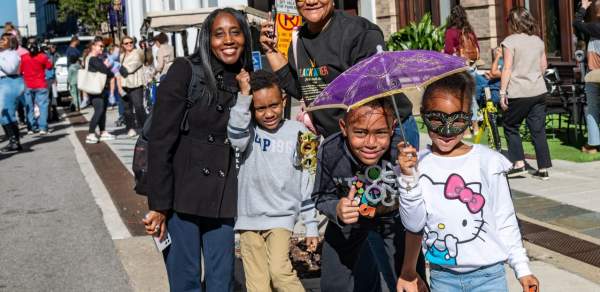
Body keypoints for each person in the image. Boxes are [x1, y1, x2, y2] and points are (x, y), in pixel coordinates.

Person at [396, 71, 540, 292]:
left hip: (489, 276)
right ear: (423, 115)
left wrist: (522, 268)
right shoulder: (417, 165)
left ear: (470, 117)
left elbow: (505, 218)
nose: (446, 131)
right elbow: (413, 224)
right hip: (442, 276)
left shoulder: (488, 162)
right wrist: (408, 178)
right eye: (436, 119)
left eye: (457, 121)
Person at [142, 8, 253, 291]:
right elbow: (160, 141)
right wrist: (158, 205)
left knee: (221, 282)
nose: (228, 40)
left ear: (244, 37)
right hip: (180, 196)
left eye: (235, 32)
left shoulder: (247, 77)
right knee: (186, 282)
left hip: (222, 195)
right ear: (207, 39)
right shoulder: (185, 70)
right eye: (219, 34)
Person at [311, 97, 427, 291]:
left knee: (412, 281)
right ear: (343, 127)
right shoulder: (331, 150)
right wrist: (337, 209)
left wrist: (409, 172)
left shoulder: (402, 150)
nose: (371, 143)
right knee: (334, 285)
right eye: (360, 132)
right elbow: (321, 195)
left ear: (393, 127)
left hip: (392, 219)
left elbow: (419, 201)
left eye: (381, 132)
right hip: (349, 223)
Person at [228, 69, 319, 292]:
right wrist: (243, 97)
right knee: (257, 285)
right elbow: (235, 139)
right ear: (251, 108)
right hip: (248, 219)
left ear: (284, 100)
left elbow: (308, 179)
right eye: (260, 108)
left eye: (274, 105)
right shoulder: (247, 131)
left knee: (279, 272)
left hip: (282, 217)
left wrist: (311, 225)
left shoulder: (302, 133)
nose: (269, 113)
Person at [500, 7, 551, 180]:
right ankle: (543, 169)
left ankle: (519, 164)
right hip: (538, 91)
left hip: (518, 92)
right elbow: (544, 66)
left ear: (513, 23)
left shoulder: (510, 41)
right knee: (538, 130)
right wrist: (534, 78)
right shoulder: (538, 41)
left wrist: (501, 93)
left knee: (510, 125)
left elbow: (506, 68)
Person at [444, 4, 481, 138]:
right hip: (471, 66)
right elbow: (477, 49)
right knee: (471, 96)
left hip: (458, 67)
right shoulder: (469, 31)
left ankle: (465, 130)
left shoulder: (450, 32)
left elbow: (448, 51)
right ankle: (475, 126)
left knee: (462, 98)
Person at [573, 0, 600, 154]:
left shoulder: (594, 27)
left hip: (594, 76)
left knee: (593, 110)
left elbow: (576, 23)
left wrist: (583, 7)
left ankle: (593, 145)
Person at [84, 37, 115, 144]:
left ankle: (102, 131)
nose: (102, 48)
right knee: (99, 110)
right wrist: (108, 69)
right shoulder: (92, 58)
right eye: (100, 46)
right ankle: (91, 134)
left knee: (102, 111)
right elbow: (105, 71)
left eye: (103, 46)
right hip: (95, 89)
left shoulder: (97, 58)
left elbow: (105, 70)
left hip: (101, 88)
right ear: (93, 46)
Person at [21, 38, 52, 135]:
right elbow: (49, 66)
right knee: (42, 106)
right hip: (40, 84)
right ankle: (42, 127)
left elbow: (20, 70)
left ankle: (31, 127)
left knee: (29, 107)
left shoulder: (23, 57)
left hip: (28, 85)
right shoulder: (42, 57)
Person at [0, 32, 25, 153]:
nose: (1, 41)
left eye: (4, 40)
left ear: (11, 42)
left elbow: (10, 69)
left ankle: (14, 142)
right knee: (5, 113)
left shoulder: (13, 54)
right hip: (4, 83)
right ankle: (14, 141)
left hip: (10, 83)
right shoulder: (3, 54)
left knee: (6, 113)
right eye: (1, 39)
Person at [119, 36, 147, 138]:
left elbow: (130, 68)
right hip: (124, 84)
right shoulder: (121, 56)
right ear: (122, 45)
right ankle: (130, 128)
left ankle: (145, 128)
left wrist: (116, 67)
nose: (129, 44)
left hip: (135, 84)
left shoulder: (138, 53)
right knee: (127, 108)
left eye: (130, 42)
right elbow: (119, 70)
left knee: (139, 106)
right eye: (126, 43)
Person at [66, 36, 82, 111]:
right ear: (74, 41)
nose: (79, 42)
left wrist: (68, 81)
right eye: (78, 40)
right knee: (76, 91)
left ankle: (76, 105)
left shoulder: (73, 49)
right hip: (74, 73)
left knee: (74, 91)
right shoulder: (71, 50)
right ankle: (77, 105)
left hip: (73, 75)